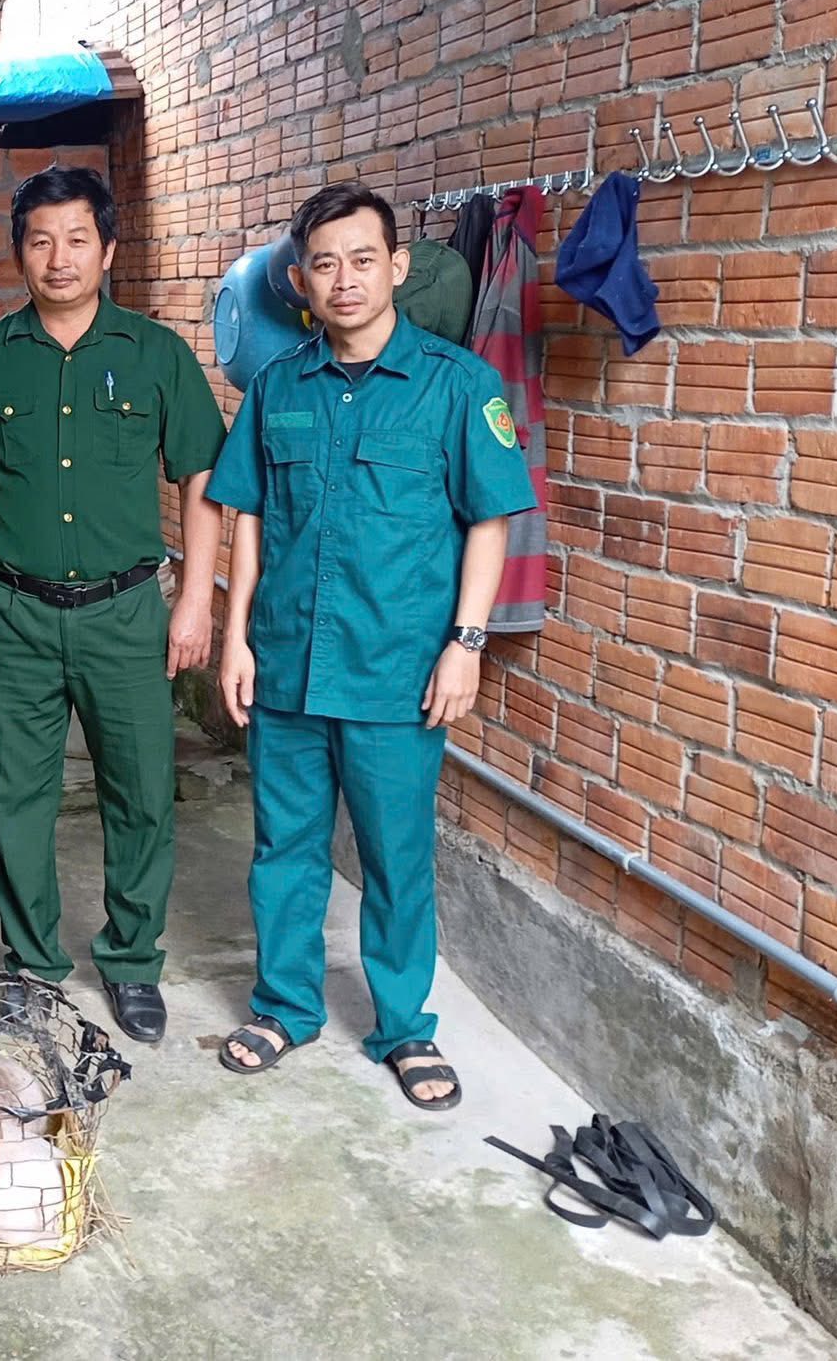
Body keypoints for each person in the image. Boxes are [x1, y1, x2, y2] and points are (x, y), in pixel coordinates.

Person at [207, 181, 536, 1110]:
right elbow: (248, 519)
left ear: (396, 266)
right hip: (287, 665)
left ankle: (403, 1028)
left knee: (396, 857)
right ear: (300, 282)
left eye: (362, 260)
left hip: (397, 670)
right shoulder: (277, 387)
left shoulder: (457, 385)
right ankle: (285, 1007)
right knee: (284, 850)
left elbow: (489, 522)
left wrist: (466, 643)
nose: (344, 279)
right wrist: (235, 638)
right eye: (325, 264)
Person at [0, 166, 225, 1043]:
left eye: (78, 239)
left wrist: (195, 601)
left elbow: (201, 478)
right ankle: (33, 965)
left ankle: (131, 959)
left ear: (108, 249)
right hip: (16, 613)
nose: (60, 258)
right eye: (40, 241)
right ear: (19, 253)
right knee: (17, 799)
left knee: (143, 792)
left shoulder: (156, 354)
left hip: (126, 613)